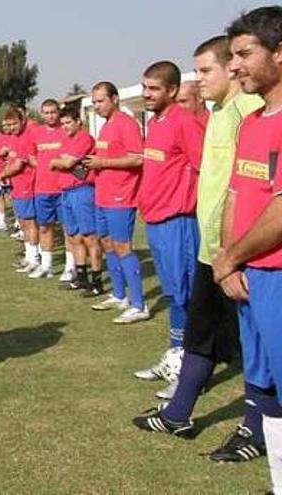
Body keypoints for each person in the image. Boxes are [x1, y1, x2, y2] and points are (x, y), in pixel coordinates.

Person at [133, 34, 266, 463]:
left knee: (258, 347)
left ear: (231, 67)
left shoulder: (251, 111)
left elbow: (252, 193)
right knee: (202, 336)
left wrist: (234, 251)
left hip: (239, 253)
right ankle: (179, 414)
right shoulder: (220, 110)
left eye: (205, 70)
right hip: (217, 252)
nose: (199, 80)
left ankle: (257, 428)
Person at [212, 7, 282, 487]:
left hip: (276, 272)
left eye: (244, 54)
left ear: (280, 53)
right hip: (247, 275)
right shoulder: (253, 122)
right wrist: (226, 259)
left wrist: (232, 256)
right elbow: (236, 194)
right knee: (265, 388)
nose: (234, 65)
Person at [132, 61, 205, 396]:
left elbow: (206, 170)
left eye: (154, 89)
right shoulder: (156, 122)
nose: (147, 94)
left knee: (186, 295)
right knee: (174, 294)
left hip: (179, 222)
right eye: (145, 88)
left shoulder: (183, 122)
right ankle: (176, 354)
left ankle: (190, 368)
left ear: (173, 91)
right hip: (158, 222)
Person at [84, 82, 148, 324]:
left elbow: (137, 158)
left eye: (101, 101)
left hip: (121, 196)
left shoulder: (126, 123)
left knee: (122, 246)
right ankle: (120, 294)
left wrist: (103, 164)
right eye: (95, 102)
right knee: (107, 244)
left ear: (115, 98)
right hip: (103, 194)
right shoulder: (106, 126)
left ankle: (139, 304)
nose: (97, 106)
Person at [50, 106, 103, 296]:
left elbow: (66, 163)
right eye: (62, 123)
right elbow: (63, 161)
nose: (64, 126)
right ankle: (81, 277)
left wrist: (57, 162)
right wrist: (61, 161)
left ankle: (97, 280)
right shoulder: (66, 140)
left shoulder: (84, 138)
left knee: (89, 236)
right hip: (67, 191)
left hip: (82, 191)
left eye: (68, 122)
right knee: (73, 237)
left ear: (78, 121)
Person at [29, 99, 73, 280]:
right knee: (45, 228)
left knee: (67, 229)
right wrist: (41, 166)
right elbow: (31, 156)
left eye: (53, 112)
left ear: (58, 112)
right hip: (42, 189)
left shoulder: (66, 131)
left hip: (63, 188)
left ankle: (71, 267)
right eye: (46, 113)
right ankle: (46, 266)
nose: (50, 116)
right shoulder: (36, 133)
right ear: (41, 114)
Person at [0, 109, 38, 273]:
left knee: (30, 223)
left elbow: (19, 165)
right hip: (17, 186)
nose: (12, 127)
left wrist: (1, 175)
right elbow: (11, 161)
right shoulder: (14, 139)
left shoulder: (27, 138)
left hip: (27, 185)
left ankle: (35, 258)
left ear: (23, 121)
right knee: (23, 222)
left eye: (15, 123)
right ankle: (29, 257)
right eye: (9, 124)